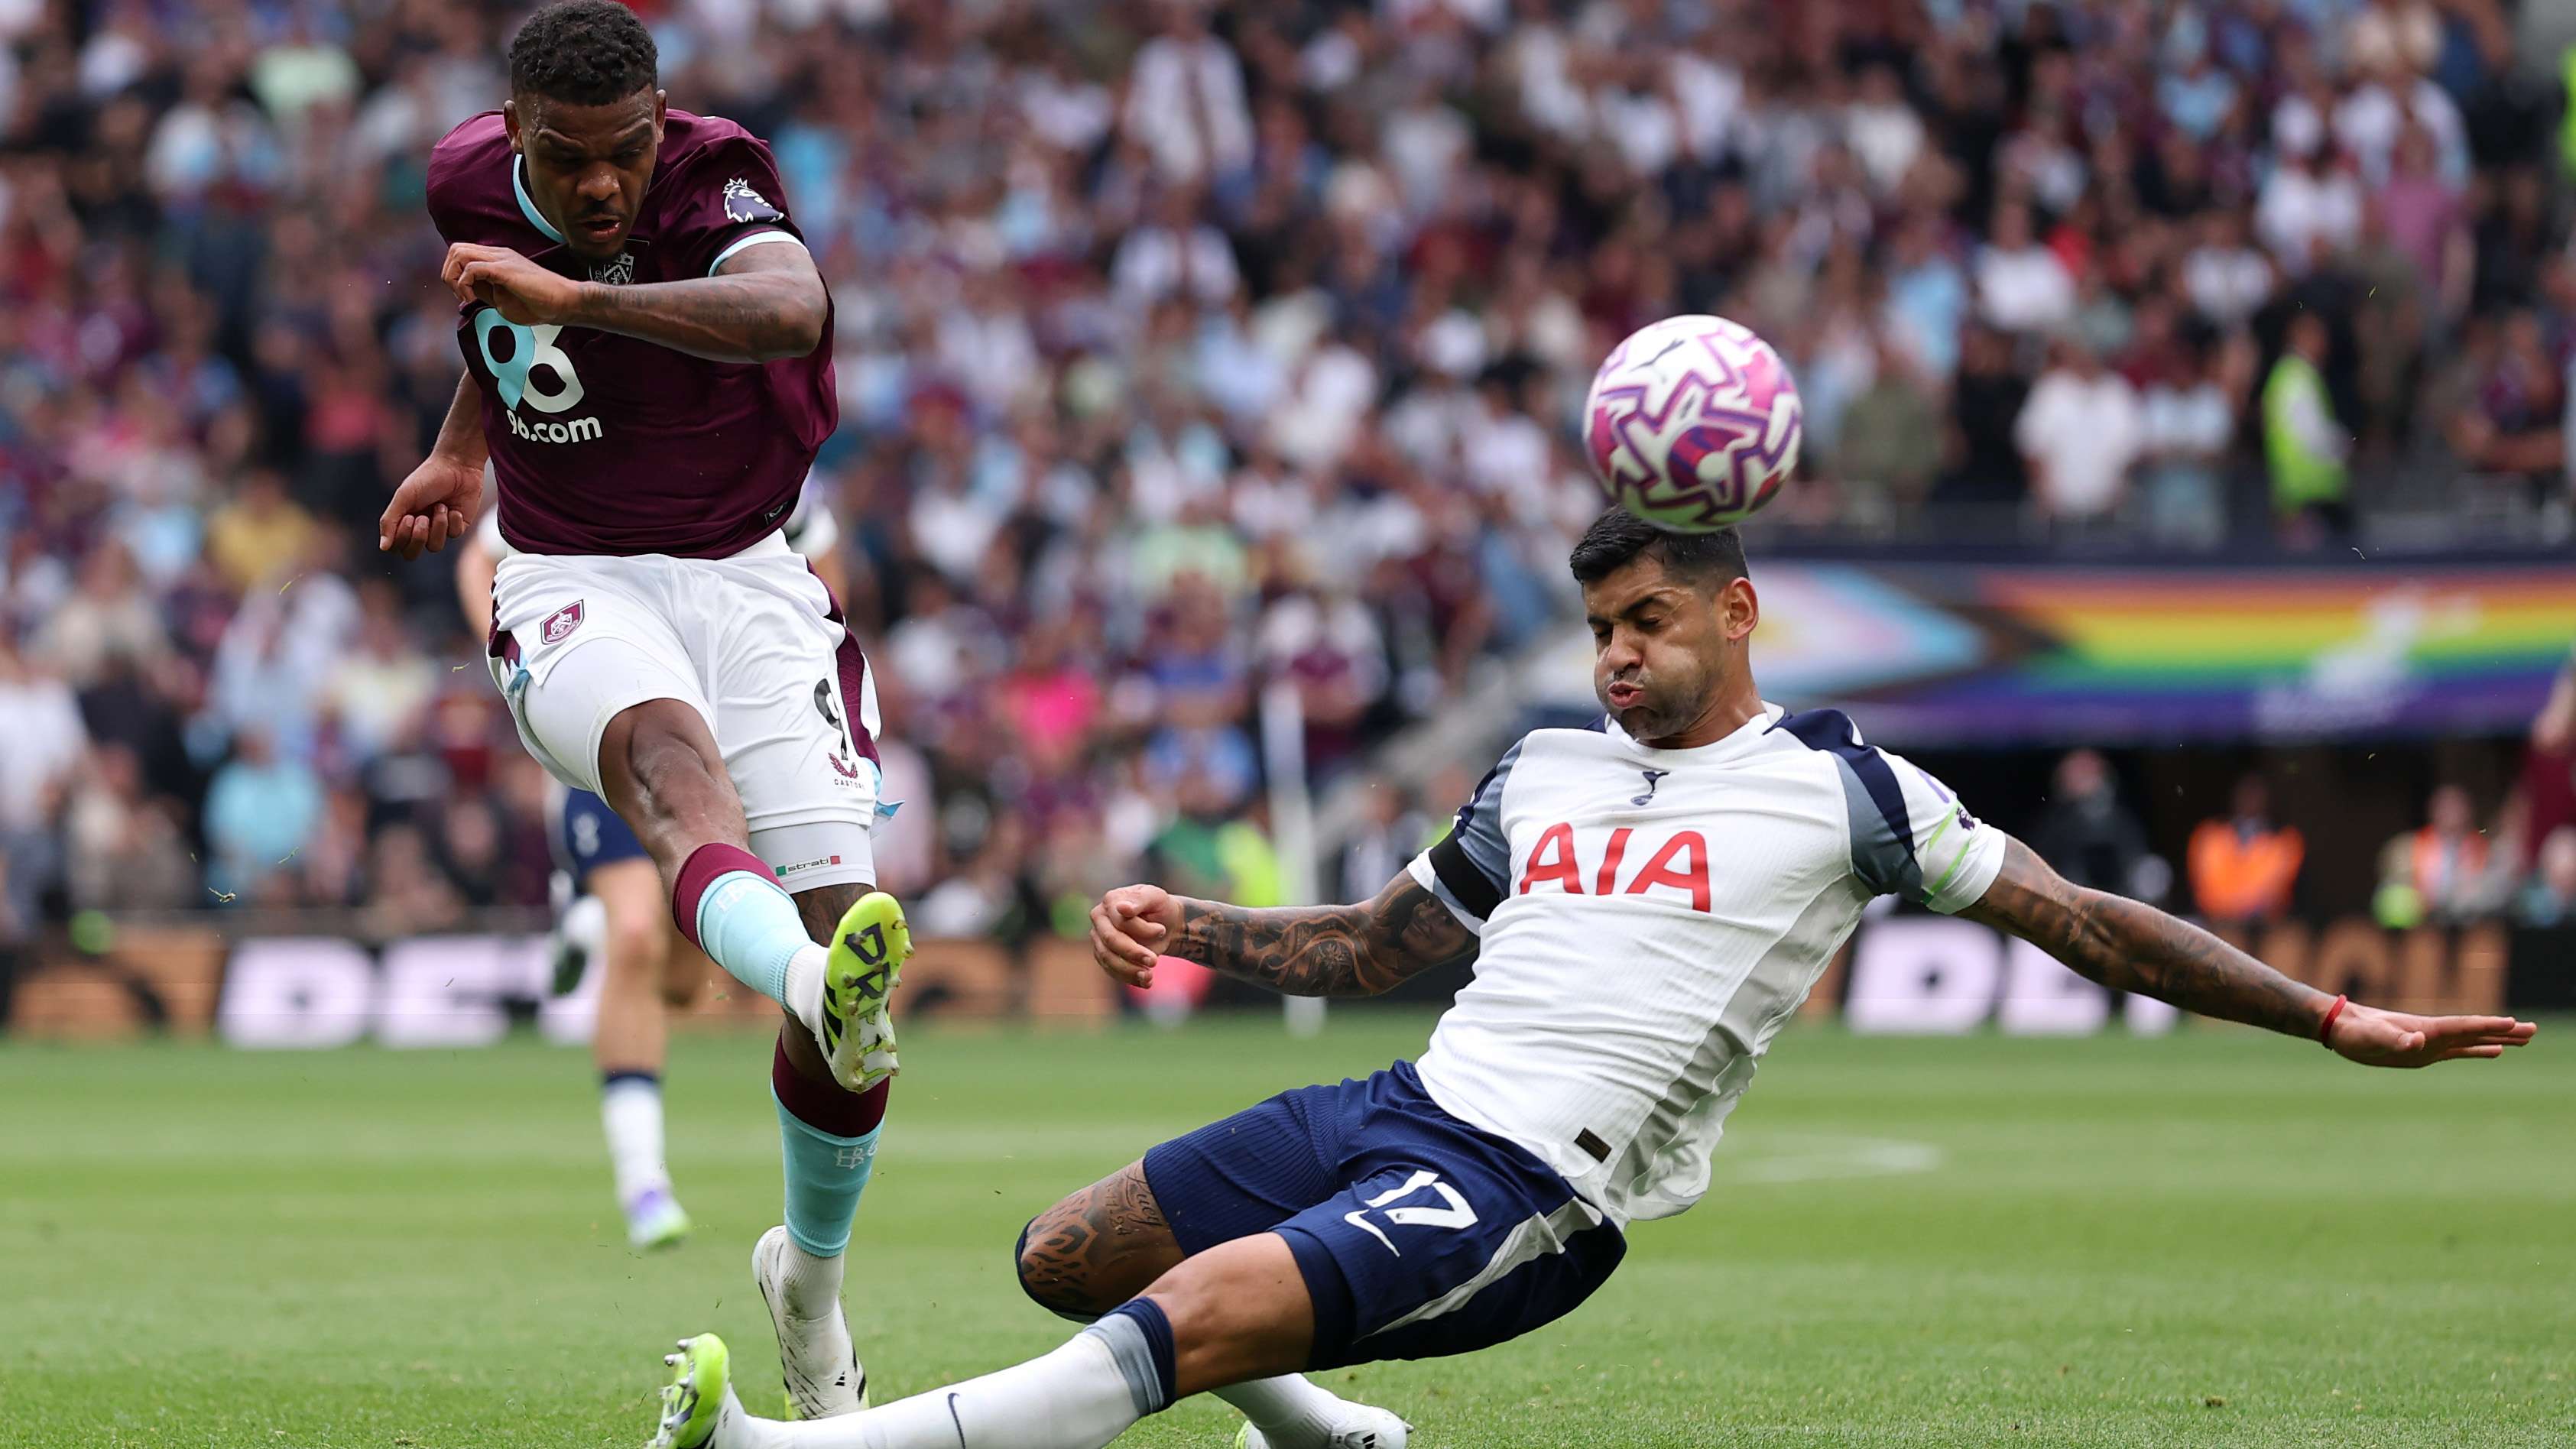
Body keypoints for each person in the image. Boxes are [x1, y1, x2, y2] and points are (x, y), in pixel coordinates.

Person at [645, 512, 2535, 1449]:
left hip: (1534, 1184)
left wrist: (2327, 1010)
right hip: (1401, 1105)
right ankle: (1322, 1420)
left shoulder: (1848, 786)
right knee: (1070, 1250)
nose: (1617, 655)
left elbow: (2083, 915)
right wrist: (1192, 926)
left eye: (1648, 621)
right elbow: (1385, 943)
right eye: (1599, 627)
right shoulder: (1542, 769)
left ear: (1734, 609)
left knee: (1204, 1295)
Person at [383, 2, 903, 1418]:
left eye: (626, 150)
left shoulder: (719, 170)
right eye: (568, 159)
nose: (603, 184)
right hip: (565, 577)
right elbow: (498, 317)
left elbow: (791, 309)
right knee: (676, 780)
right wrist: (458, 451)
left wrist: (582, 299)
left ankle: (806, 1280)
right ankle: (800, 983)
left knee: (850, 975)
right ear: (513, 138)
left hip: (750, 574)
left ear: (662, 123)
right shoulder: (457, 177)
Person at [2187, 775, 2305, 925]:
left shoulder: (2286, 842)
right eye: (2246, 794)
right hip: (2219, 922)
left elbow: (2273, 891)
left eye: (2256, 794)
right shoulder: (2209, 836)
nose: (2250, 800)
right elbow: (2208, 890)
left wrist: (2243, 905)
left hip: (2267, 926)